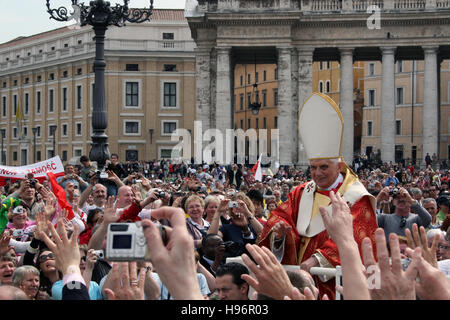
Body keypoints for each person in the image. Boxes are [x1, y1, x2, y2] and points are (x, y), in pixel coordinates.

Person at [258, 93, 378, 299]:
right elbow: (280, 216)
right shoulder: (300, 192)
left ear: (339, 166)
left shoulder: (356, 197)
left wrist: (315, 261)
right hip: (297, 278)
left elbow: (356, 239)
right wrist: (278, 234)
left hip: (332, 281)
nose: (317, 173)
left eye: (323, 167)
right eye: (313, 167)